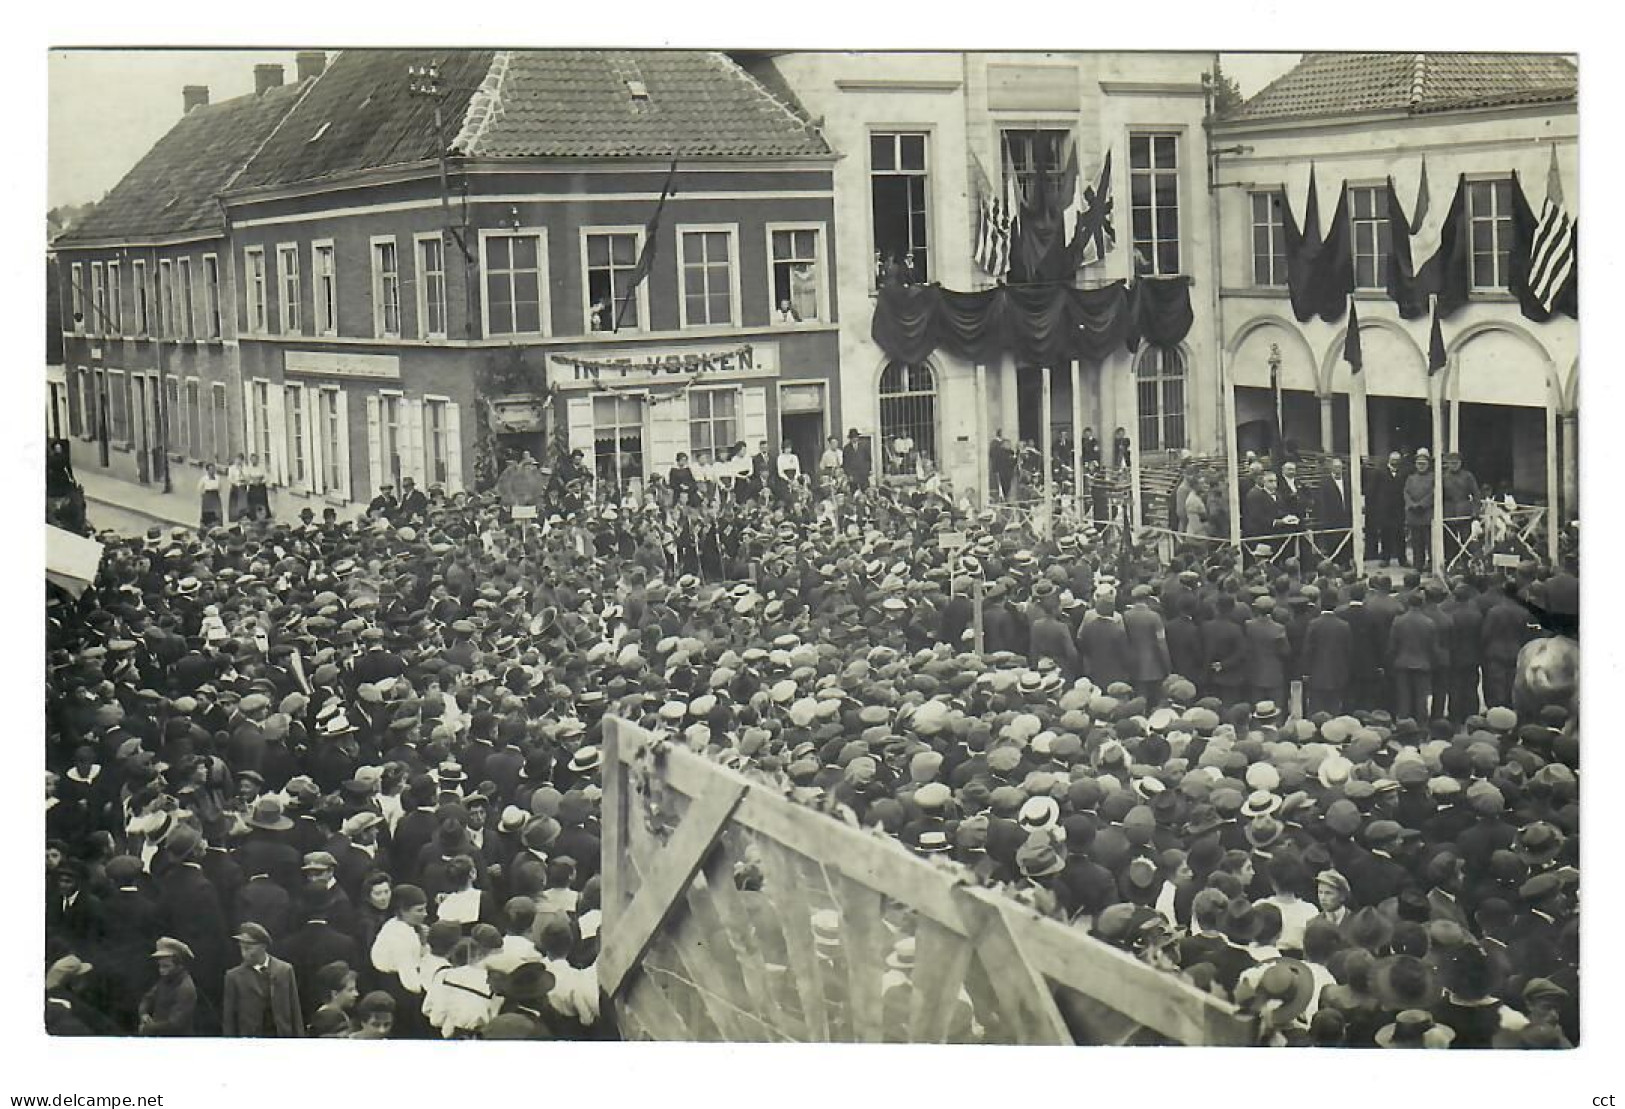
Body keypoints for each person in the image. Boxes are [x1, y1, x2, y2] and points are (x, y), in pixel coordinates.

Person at [221, 922, 303, 1037]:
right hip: (250, 1042)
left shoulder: (284, 970)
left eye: (248, 949)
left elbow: (295, 1010)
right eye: (242, 948)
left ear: (263, 946)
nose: (244, 954)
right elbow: (229, 1019)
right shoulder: (234, 976)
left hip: (281, 1039)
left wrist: (299, 1041)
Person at [137, 937, 199, 1036]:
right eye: (160, 966)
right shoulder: (165, 981)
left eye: (166, 966)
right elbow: (147, 999)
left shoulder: (185, 988)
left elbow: (176, 1023)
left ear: (179, 966)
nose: (161, 970)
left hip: (178, 1042)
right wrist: (144, 1014)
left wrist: (148, 1028)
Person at [1368, 451, 1407, 567]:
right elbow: (1372, 491)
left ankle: (1402, 559)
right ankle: (1385, 558)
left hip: (1399, 509)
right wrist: (1375, 508)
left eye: (1397, 460)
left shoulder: (1403, 473)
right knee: (1386, 534)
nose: (1395, 462)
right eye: (1393, 459)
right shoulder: (1379, 472)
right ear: (1389, 460)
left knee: (1400, 534)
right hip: (1384, 510)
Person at [1314, 458, 1353, 565]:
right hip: (1332, 519)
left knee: (1347, 544)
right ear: (1331, 467)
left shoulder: (1347, 480)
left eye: (1340, 467)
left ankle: (1346, 565)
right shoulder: (1325, 483)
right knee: (1334, 544)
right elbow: (1322, 503)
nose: (1338, 469)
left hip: (1346, 517)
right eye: (1336, 467)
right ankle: (1335, 565)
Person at [1404, 450, 1436, 571]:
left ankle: (1431, 565)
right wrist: (1411, 504)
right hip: (1414, 515)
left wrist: (1422, 504)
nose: (1421, 466)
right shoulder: (1411, 478)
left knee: (1430, 542)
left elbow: (1434, 493)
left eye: (1423, 463)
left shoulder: (1433, 477)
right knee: (1417, 542)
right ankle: (1418, 565)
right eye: (1419, 463)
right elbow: (1406, 492)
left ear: (1428, 464)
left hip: (1427, 514)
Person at [989, 430, 1017, 501]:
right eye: (1009, 444)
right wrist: (1014, 459)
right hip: (1003, 473)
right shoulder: (1001, 452)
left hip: (1007, 473)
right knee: (1003, 490)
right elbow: (1009, 462)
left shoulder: (1008, 452)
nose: (1010, 446)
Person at [198, 463, 223, 528]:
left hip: (215, 496)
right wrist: (204, 496)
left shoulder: (218, 478)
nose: (212, 471)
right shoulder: (204, 479)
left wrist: (217, 494)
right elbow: (199, 488)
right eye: (210, 469)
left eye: (213, 469)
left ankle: (218, 526)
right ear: (207, 470)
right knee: (208, 513)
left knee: (218, 512)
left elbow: (220, 487)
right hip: (207, 496)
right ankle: (207, 527)